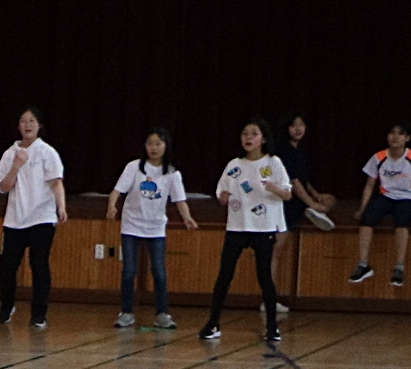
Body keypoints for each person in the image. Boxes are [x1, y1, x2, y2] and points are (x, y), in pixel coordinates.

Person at [204, 118, 293, 345]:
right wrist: (223, 197)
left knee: (264, 276)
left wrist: (274, 188)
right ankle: (212, 323)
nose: (248, 138)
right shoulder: (234, 164)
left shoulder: (273, 162)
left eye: (254, 134)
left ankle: (272, 327)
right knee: (225, 275)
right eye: (245, 133)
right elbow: (221, 191)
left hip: (263, 227)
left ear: (263, 138)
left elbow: (287, 194)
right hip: (237, 226)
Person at [107, 130, 194, 329]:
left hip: (156, 227)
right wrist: (112, 206)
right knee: (129, 271)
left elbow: (180, 200)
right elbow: (117, 191)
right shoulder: (134, 167)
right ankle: (127, 312)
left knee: (159, 272)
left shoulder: (171, 173)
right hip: (131, 225)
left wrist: (187, 218)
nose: (153, 148)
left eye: (158, 144)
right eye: (149, 144)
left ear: (166, 147)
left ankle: (162, 314)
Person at [0, 108, 66, 328]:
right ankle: (7, 306)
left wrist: (61, 207)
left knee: (39, 264)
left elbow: (56, 182)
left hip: (42, 217)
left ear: (39, 125)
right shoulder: (10, 154)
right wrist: (16, 166)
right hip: (15, 219)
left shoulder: (47, 152)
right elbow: (3, 187)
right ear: (18, 126)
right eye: (23, 121)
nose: (28, 125)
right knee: (7, 266)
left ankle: (39, 314)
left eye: (32, 121)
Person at [350, 125, 411, 287]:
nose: (395, 137)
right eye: (392, 133)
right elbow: (370, 184)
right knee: (366, 221)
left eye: (400, 134)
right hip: (385, 195)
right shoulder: (378, 157)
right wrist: (362, 208)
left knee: (402, 224)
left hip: (407, 197)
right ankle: (363, 264)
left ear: (407, 138)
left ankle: (399, 268)